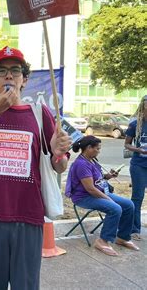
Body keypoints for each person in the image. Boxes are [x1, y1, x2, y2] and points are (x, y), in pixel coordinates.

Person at [0, 46, 72, 290]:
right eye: (1, 71)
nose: (9, 76)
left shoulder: (39, 113)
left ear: (25, 79)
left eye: (15, 70)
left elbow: (60, 166)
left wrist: (58, 153)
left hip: (29, 217)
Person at [66, 135, 139, 256]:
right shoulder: (81, 164)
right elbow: (90, 189)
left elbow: (97, 179)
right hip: (84, 197)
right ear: (89, 148)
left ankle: (122, 237)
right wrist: (109, 199)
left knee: (129, 205)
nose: (99, 151)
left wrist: (108, 176)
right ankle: (102, 241)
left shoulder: (91, 159)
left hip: (99, 192)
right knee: (115, 208)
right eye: (97, 149)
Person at [124, 95, 147, 241]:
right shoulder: (135, 124)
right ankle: (134, 229)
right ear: (143, 107)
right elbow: (127, 144)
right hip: (139, 165)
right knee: (137, 197)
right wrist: (140, 150)